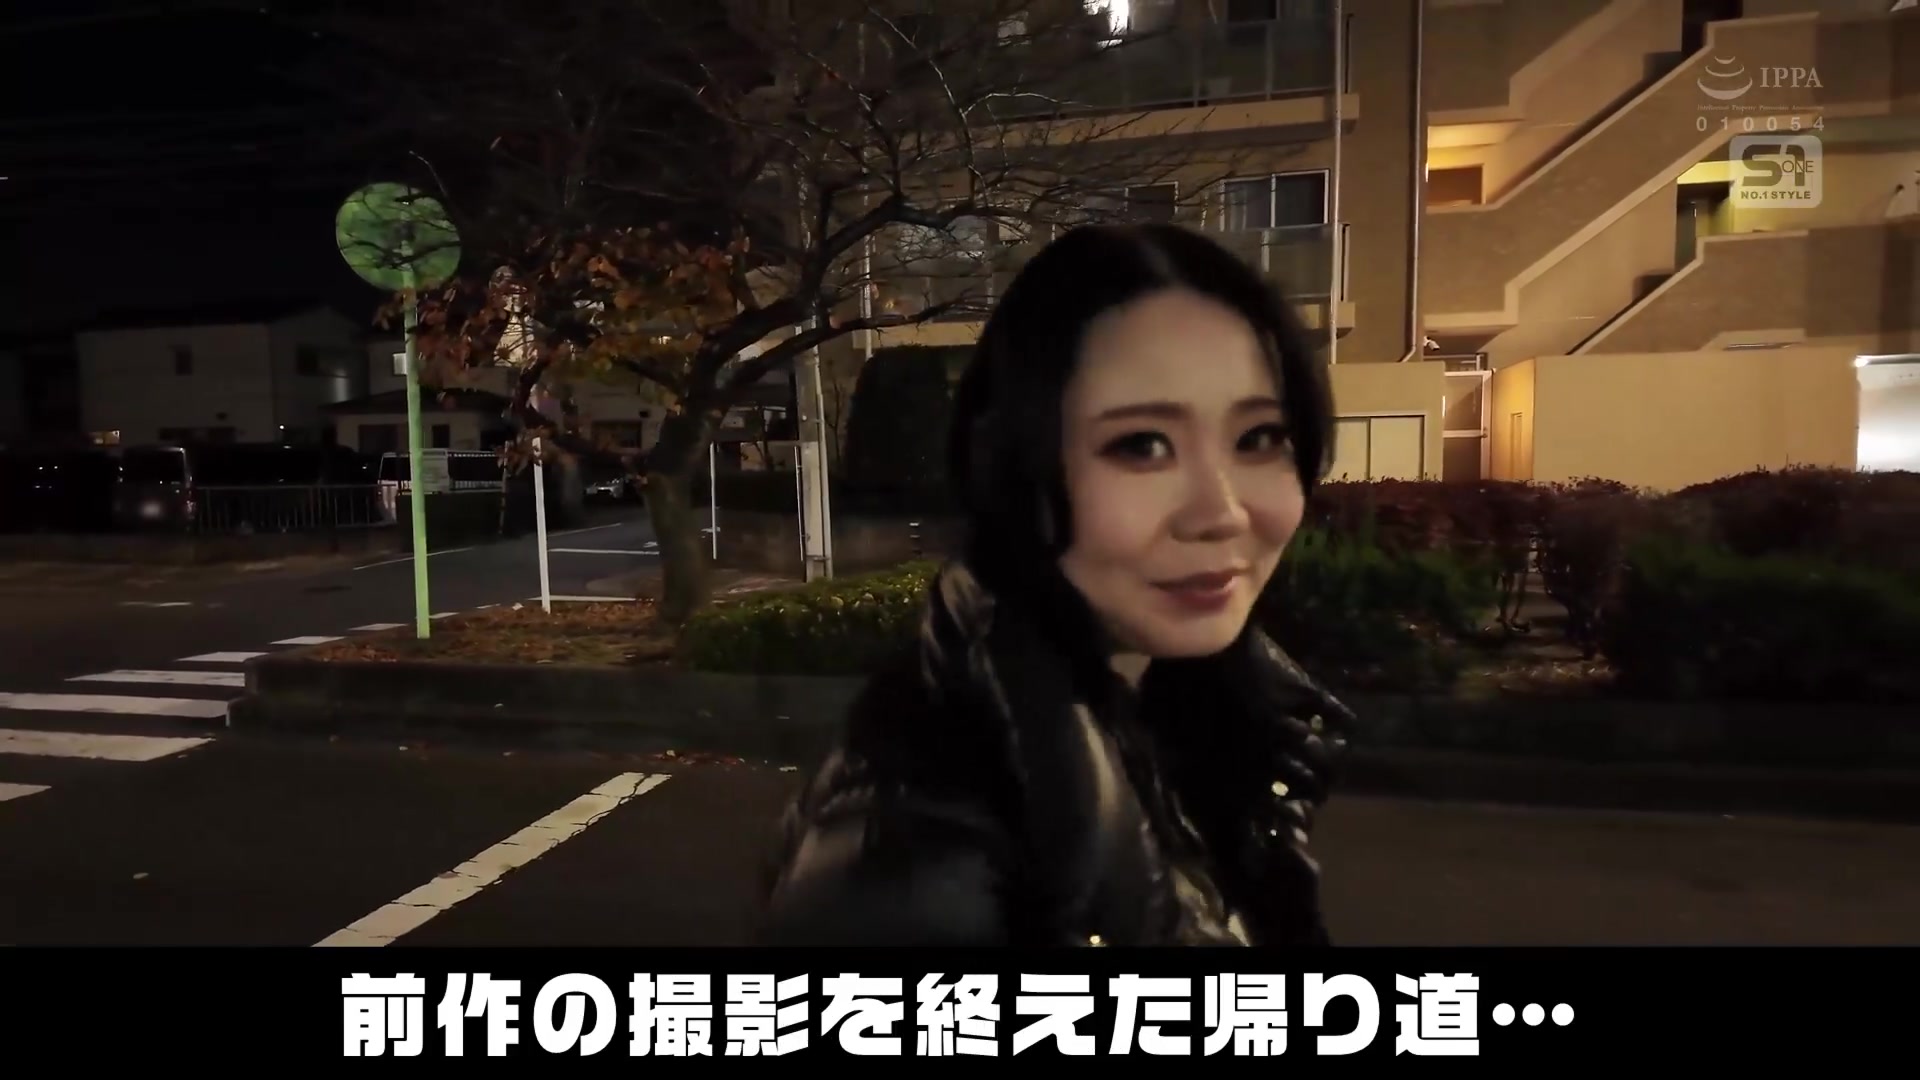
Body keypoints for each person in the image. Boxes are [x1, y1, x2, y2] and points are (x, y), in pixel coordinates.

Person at [755, 222, 1353, 947]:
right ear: (1012, 470)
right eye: (1142, 445)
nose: (1222, 513)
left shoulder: (1201, 714)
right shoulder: (913, 870)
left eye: (1259, 438)